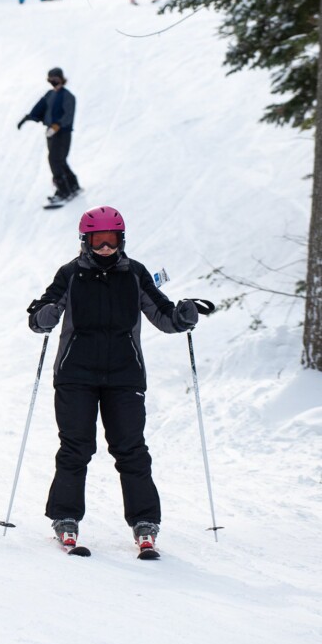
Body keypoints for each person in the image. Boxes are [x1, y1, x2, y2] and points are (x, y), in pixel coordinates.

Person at [27, 206, 214, 557]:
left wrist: (184, 317)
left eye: (111, 240)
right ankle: (65, 517)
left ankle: (145, 523)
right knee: (76, 448)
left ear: (121, 240)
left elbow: (164, 316)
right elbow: (39, 317)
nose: (105, 248)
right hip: (75, 375)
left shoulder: (135, 274)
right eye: (98, 240)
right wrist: (45, 316)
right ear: (85, 241)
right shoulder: (70, 274)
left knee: (131, 449)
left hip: (125, 376)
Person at [17, 67, 80, 204]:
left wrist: (57, 126)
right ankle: (73, 185)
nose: (53, 82)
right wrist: (28, 117)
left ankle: (63, 191)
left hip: (62, 133)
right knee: (60, 160)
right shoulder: (50, 94)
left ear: (61, 79)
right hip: (50, 133)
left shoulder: (68, 96)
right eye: (50, 79)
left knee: (54, 160)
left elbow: (68, 115)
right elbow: (40, 107)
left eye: (55, 79)